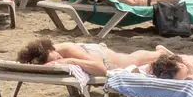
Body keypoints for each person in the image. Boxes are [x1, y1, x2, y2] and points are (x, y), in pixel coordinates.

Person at [16, 37, 159, 76]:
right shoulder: (40, 55)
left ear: (51, 50)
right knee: (132, 58)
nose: (58, 62)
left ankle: (160, 52)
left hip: (105, 58)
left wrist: (69, 60)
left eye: (55, 59)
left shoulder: (67, 50)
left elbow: (101, 69)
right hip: (94, 51)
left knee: (133, 60)